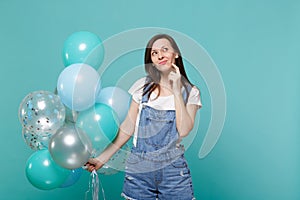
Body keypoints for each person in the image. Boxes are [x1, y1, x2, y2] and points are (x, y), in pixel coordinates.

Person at [85, 34, 202, 200]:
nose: (160, 55)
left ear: (175, 53)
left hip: (173, 171)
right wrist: (102, 159)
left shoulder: (191, 92)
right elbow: (127, 128)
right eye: (154, 53)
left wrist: (176, 89)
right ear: (151, 60)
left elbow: (183, 130)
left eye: (164, 49)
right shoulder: (142, 86)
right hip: (139, 169)